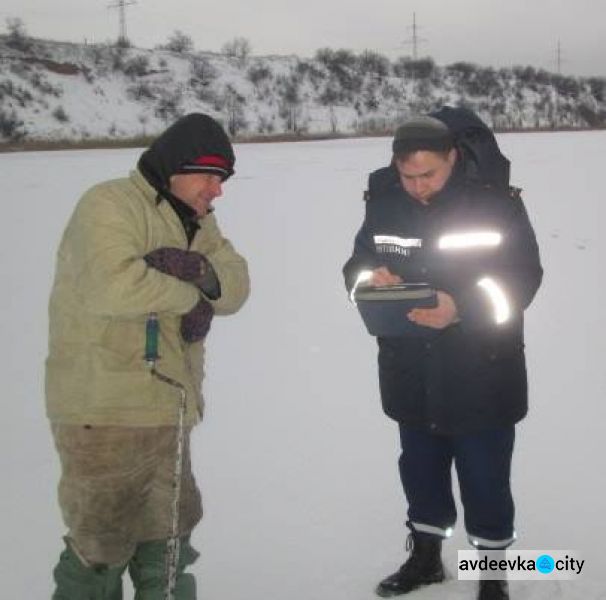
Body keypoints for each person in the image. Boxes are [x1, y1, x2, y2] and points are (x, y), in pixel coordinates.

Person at [46, 113, 250, 599]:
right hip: (105, 413)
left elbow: (236, 288)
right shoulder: (109, 204)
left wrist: (200, 269)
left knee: (170, 543)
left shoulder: (199, 223)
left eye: (221, 180)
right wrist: (191, 296)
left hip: (169, 408)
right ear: (176, 168)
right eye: (208, 177)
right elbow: (112, 285)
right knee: (100, 550)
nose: (216, 191)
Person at [343, 115, 542, 600]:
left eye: (428, 174)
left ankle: (493, 574)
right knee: (420, 471)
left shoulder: (497, 202)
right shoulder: (384, 200)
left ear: (452, 157)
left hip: (483, 371)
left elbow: (523, 278)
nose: (417, 187)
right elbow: (356, 267)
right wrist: (371, 282)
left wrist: (462, 307)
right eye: (408, 176)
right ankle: (426, 557)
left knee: (485, 479)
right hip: (410, 371)